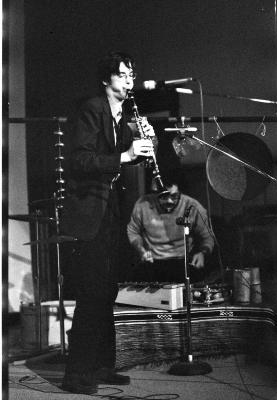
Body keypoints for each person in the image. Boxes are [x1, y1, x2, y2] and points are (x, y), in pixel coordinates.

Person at [60, 51, 156, 394]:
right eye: (123, 75)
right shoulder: (91, 109)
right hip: (90, 210)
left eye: (132, 75)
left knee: (109, 288)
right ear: (106, 80)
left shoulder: (123, 116)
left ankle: (102, 365)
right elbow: (80, 160)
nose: (129, 81)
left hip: (113, 209)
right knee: (93, 290)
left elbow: (127, 161)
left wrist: (146, 144)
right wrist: (125, 155)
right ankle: (76, 373)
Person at [127, 170, 215, 283]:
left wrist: (203, 252)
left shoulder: (193, 206)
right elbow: (133, 231)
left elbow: (208, 236)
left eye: (174, 196)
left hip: (183, 263)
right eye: (164, 196)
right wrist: (141, 250)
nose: (169, 201)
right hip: (153, 263)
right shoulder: (142, 205)